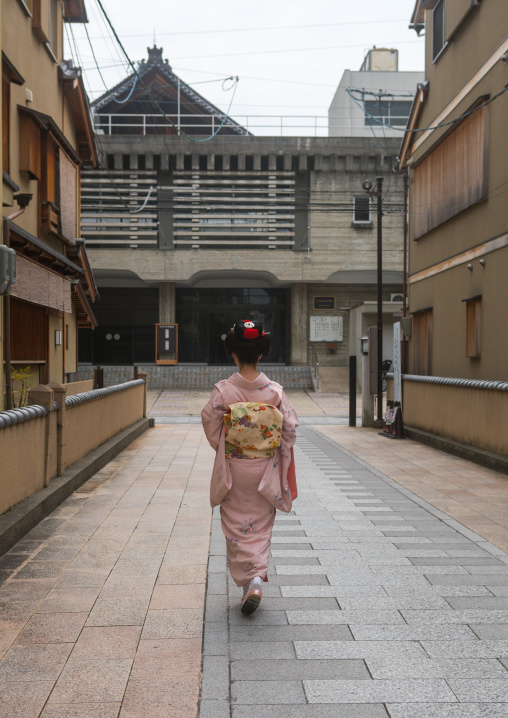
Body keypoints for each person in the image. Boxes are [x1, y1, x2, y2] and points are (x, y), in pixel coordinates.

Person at [201, 319, 298, 615]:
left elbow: (210, 421)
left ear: (233, 354)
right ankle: (255, 578)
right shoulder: (275, 392)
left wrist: (227, 442)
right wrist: (272, 445)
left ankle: (249, 583)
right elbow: (290, 428)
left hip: (234, 466)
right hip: (264, 468)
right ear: (260, 354)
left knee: (236, 526)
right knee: (260, 525)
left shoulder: (223, 391)